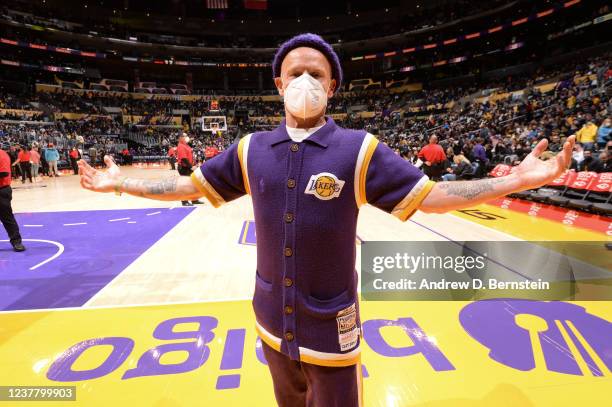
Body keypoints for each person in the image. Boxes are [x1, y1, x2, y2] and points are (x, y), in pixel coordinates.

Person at [78, 33, 575, 407]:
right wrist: (119, 183)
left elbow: (433, 195)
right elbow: (188, 186)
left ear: (333, 86)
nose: (304, 82)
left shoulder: (358, 150)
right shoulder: (252, 149)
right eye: (294, 73)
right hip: (270, 320)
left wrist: (515, 181)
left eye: (316, 74)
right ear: (278, 84)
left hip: (331, 324)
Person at [0, 148, 25, 252]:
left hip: (1, 190)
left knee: (7, 218)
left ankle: (16, 241)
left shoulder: (1, 154)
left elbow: (4, 173)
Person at [176, 133, 203, 206]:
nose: (187, 137)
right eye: (185, 136)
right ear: (181, 138)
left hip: (189, 166)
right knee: (185, 185)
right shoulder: (181, 146)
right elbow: (184, 158)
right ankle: (184, 201)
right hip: (184, 167)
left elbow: (190, 155)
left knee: (193, 183)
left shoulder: (186, 145)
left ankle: (194, 199)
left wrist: (195, 164)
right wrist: (191, 166)